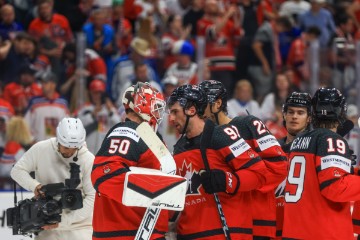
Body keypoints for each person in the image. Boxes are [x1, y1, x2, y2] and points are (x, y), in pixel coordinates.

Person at [167, 84, 268, 239]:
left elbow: (259, 173)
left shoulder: (223, 134)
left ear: (191, 110)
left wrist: (228, 180)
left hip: (227, 234)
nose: (171, 118)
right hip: (188, 234)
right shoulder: (178, 148)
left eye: (175, 112)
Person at [199, 80, 288, 240]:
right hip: (229, 221)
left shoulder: (248, 124)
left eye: (202, 104)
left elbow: (279, 167)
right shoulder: (207, 136)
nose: (198, 109)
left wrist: (239, 181)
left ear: (218, 103)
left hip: (258, 220)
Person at [91, 82, 169, 239]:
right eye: (156, 107)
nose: (159, 114)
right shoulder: (126, 132)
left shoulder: (147, 135)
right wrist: (149, 191)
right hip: (127, 232)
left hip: (145, 231)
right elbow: (103, 174)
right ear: (142, 105)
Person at [282, 87, 360, 239]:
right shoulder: (332, 139)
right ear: (341, 111)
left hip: (294, 230)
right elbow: (335, 187)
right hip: (324, 232)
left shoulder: (298, 140)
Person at [10, 117, 95, 240]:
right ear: (59, 140)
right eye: (66, 147)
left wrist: (63, 221)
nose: (70, 152)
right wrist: (34, 186)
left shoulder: (88, 159)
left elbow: (92, 198)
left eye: (74, 149)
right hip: (46, 225)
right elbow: (17, 171)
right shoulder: (41, 149)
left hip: (79, 228)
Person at [275, 92, 312, 239]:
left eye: (300, 113)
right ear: (284, 115)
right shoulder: (271, 148)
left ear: (309, 118)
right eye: (290, 112)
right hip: (275, 225)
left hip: (303, 227)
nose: (294, 116)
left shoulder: (317, 150)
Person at [76, 79, 120, 154]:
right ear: (90, 93)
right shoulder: (85, 108)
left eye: (100, 93)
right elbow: (78, 125)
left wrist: (110, 110)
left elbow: (118, 124)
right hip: (88, 149)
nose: (98, 96)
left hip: (105, 150)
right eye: (95, 93)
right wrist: (93, 114)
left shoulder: (109, 109)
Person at [24, 71, 69, 142]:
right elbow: (26, 124)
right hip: (38, 146)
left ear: (53, 85)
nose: (42, 85)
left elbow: (67, 127)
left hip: (56, 148)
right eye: (42, 83)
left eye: (45, 83)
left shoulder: (62, 103)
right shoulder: (34, 102)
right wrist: (31, 140)